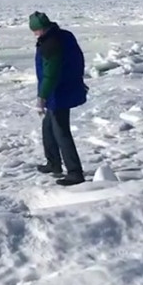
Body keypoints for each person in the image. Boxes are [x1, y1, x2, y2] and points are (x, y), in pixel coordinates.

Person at [29, 11, 88, 186]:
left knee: (61, 131)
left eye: (35, 30)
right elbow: (78, 60)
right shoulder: (64, 36)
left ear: (40, 29)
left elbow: (50, 75)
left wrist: (42, 97)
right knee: (48, 126)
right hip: (67, 87)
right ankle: (53, 163)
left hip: (59, 92)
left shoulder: (50, 44)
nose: (34, 34)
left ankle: (75, 172)